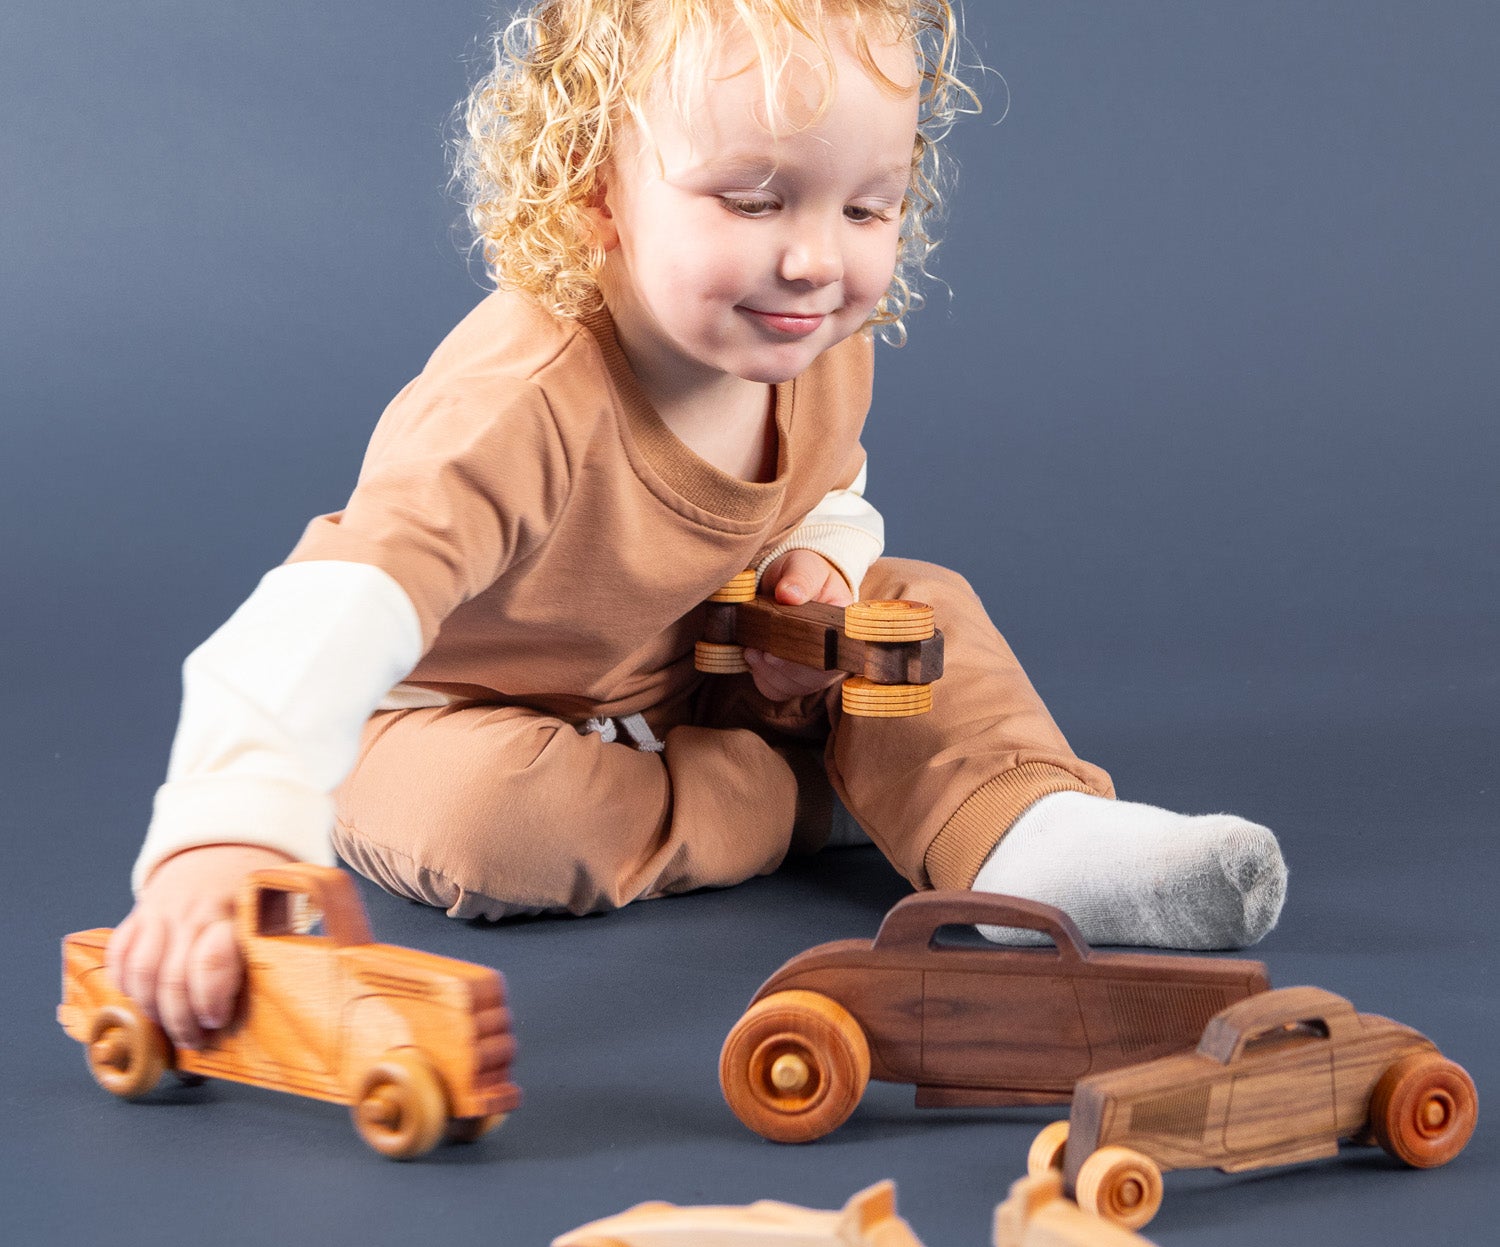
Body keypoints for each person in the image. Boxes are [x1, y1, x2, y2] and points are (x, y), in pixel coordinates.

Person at [108, 0, 1286, 1049]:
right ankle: (811, 800)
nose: (817, 258)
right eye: (753, 198)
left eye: (867, 204)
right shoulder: (518, 407)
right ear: (593, 196)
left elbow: (828, 491)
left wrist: (817, 569)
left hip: (687, 669)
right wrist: (224, 838)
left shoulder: (807, 349)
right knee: (485, 822)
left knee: (925, 611)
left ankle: (1032, 831)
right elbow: (337, 603)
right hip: (463, 714)